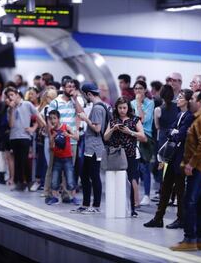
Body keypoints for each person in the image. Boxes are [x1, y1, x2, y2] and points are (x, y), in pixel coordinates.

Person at [170, 90, 201, 252]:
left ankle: (189, 239)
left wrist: (191, 163)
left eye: (194, 99)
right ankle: (200, 239)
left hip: (199, 167)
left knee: (189, 201)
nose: (191, 101)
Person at [144, 89, 194, 229]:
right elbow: (169, 132)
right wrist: (174, 132)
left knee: (179, 190)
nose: (178, 99)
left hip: (181, 157)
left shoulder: (189, 116)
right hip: (173, 156)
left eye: (181, 97)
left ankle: (181, 218)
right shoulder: (180, 114)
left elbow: (181, 135)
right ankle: (158, 218)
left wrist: (174, 132)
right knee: (165, 187)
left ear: (187, 101)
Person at [104, 97, 146, 217]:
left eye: (124, 108)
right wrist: (113, 129)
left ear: (128, 108)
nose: (122, 110)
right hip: (116, 153)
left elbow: (143, 136)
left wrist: (129, 132)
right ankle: (117, 205)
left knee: (131, 179)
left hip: (130, 153)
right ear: (116, 108)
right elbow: (105, 137)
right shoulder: (113, 120)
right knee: (116, 179)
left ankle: (132, 207)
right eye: (120, 108)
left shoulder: (134, 120)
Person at [71, 83, 107, 214]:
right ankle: (87, 204)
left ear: (88, 94)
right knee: (87, 174)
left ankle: (95, 205)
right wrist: (75, 100)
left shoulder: (97, 108)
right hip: (93, 146)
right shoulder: (102, 105)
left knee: (91, 175)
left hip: (94, 147)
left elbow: (97, 128)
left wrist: (86, 119)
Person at [5, 87, 46, 191]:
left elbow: (37, 115)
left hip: (25, 136)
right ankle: (19, 183)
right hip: (14, 136)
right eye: (8, 96)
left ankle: (28, 182)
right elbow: (11, 124)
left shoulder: (27, 104)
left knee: (25, 160)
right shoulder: (9, 109)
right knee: (17, 161)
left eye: (12, 95)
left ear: (16, 94)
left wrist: (37, 127)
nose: (10, 97)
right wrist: (12, 109)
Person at [47, 110, 79, 205]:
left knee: (70, 179)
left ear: (58, 118)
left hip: (67, 158)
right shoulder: (51, 130)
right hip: (57, 158)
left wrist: (68, 135)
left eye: (54, 118)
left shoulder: (66, 127)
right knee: (55, 179)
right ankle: (55, 197)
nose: (53, 121)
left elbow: (77, 137)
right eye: (51, 118)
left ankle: (73, 197)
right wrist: (52, 138)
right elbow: (51, 147)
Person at [131, 80, 155, 206]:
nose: (138, 91)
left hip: (146, 137)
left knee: (145, 168)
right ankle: (135, 196)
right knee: (135, 168)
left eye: (140, 88)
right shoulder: (130, 103)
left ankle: (146, 195)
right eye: (136, 88)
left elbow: (144, 119)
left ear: (145, 90)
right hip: (133, 136)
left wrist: (139, 105)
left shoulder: (150, 103)